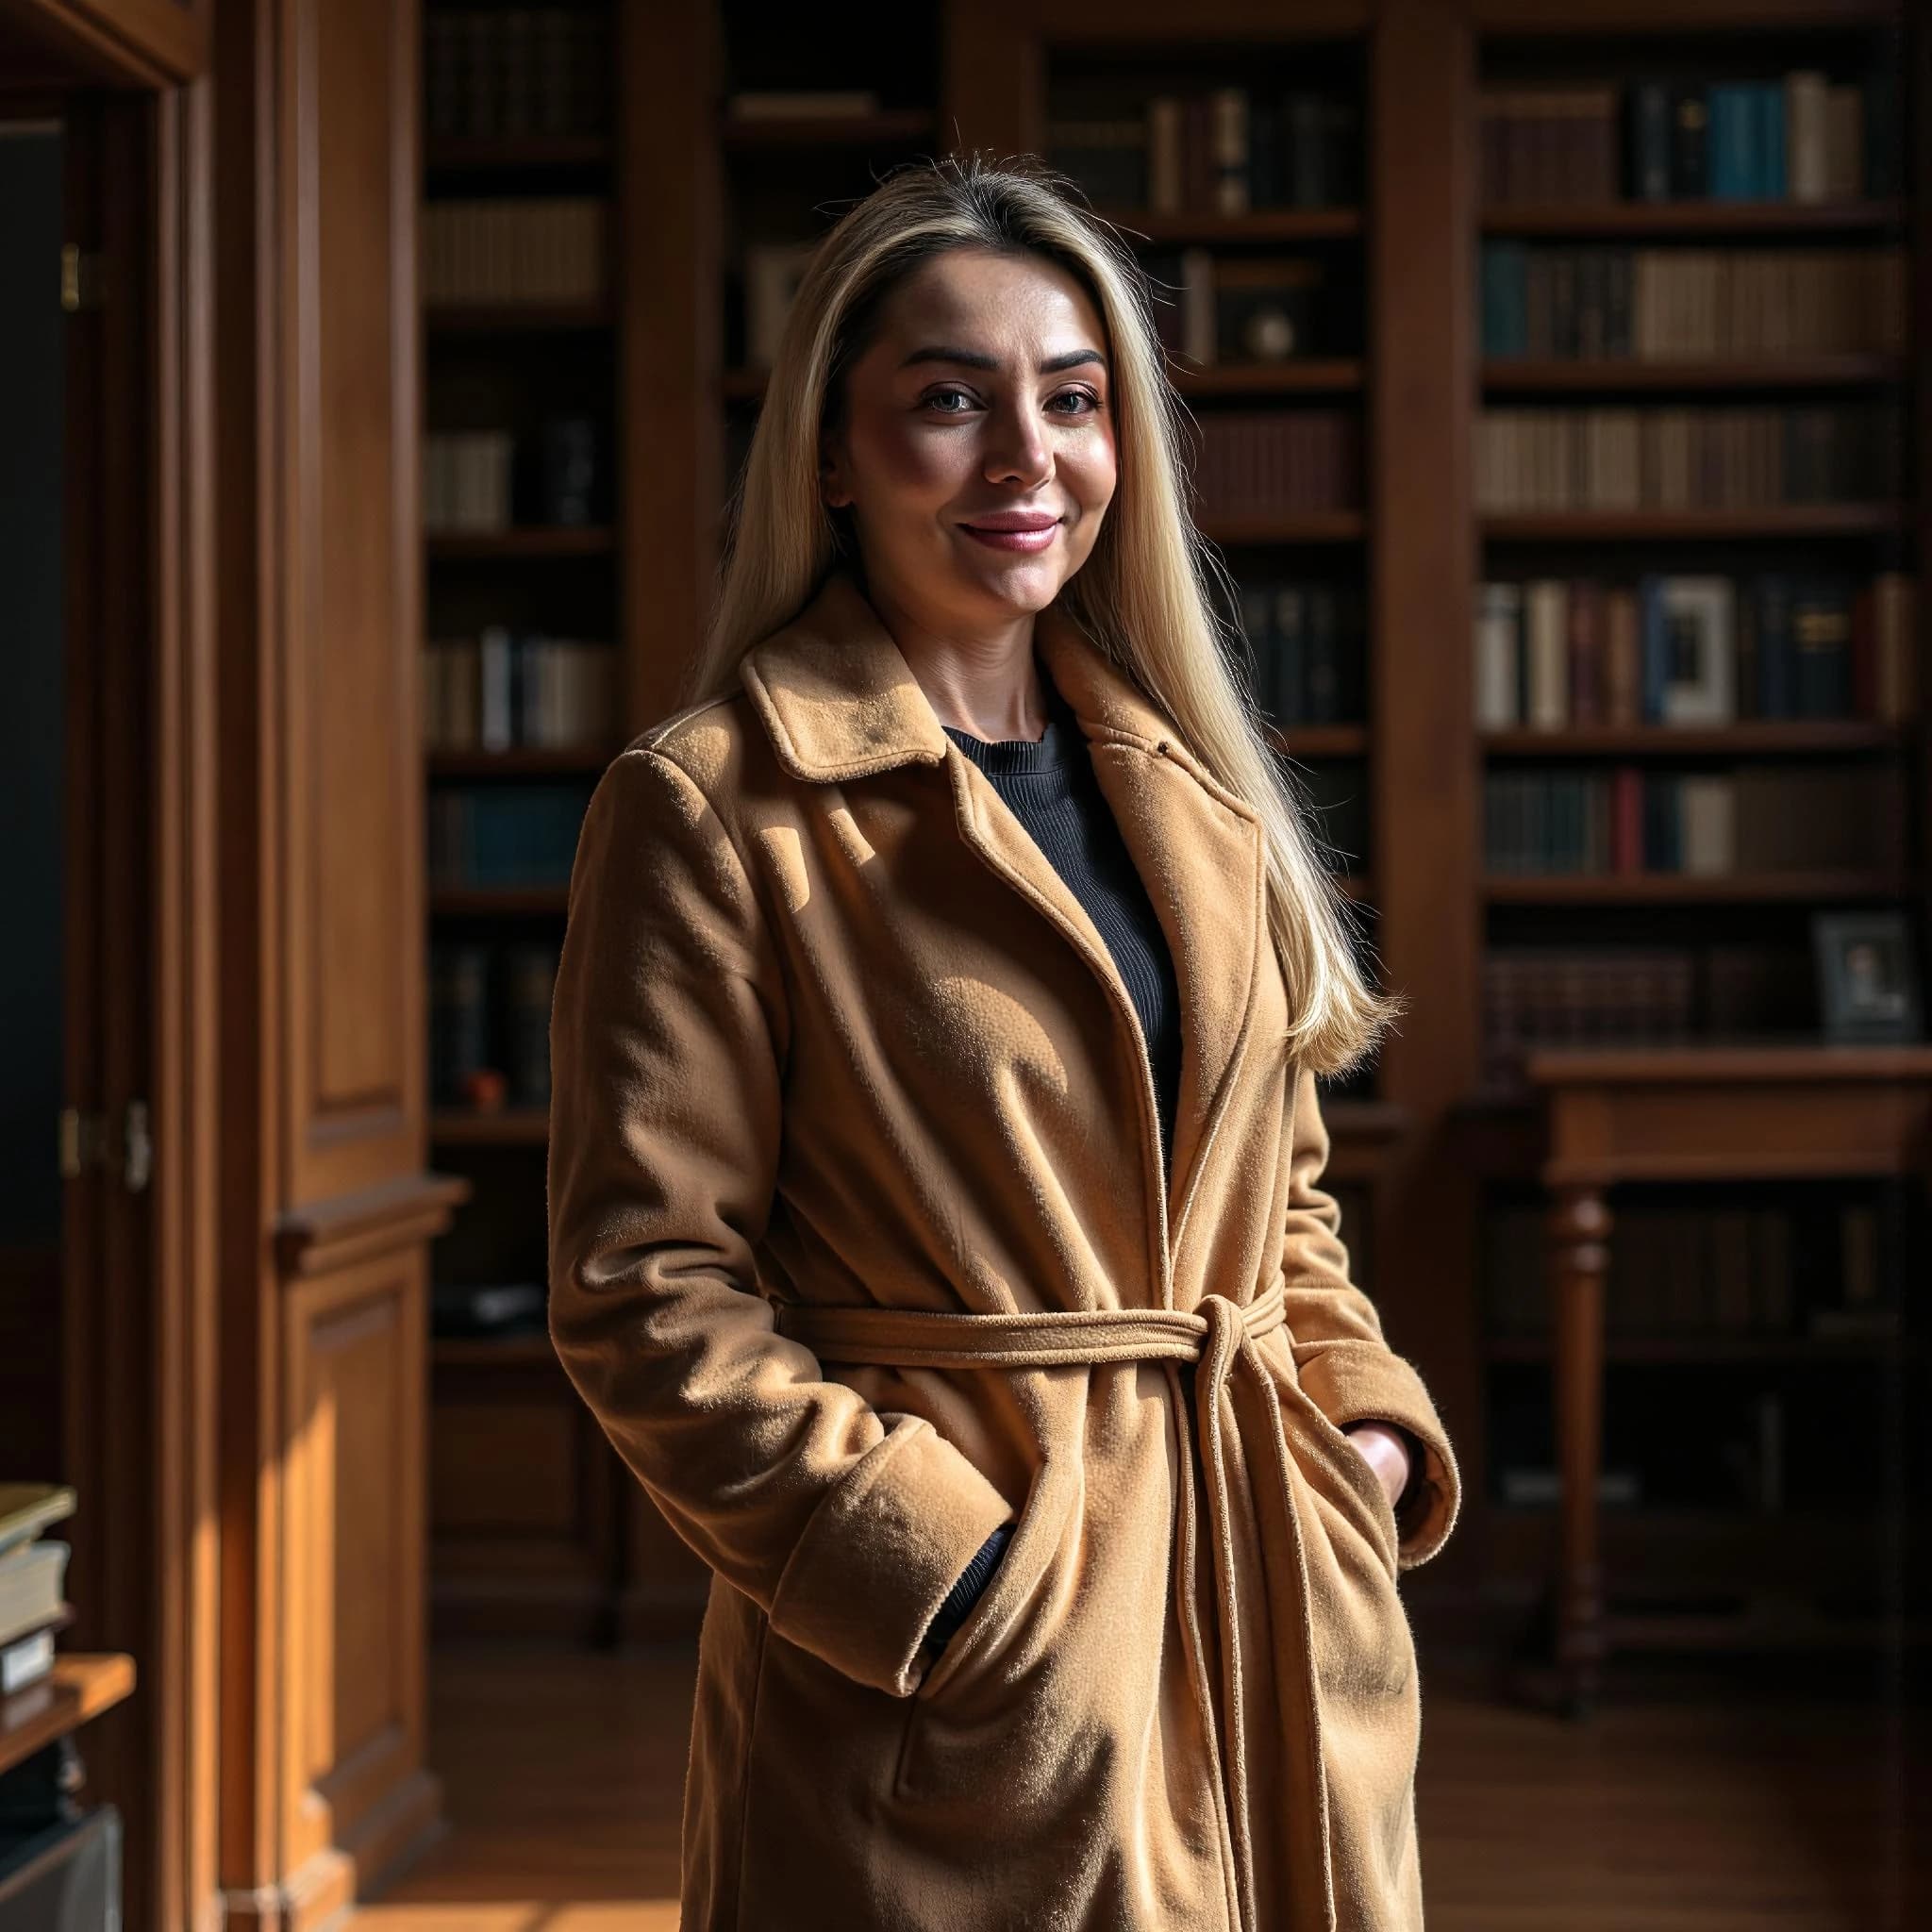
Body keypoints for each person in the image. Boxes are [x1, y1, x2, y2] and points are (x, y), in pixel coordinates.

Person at [546, 151, 1462, 1932]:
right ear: (833, 451)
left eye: (1074, 399)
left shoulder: (1199, 795)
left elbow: (1278, 1208)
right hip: (964, 1691)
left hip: (1270, 1623)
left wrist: (1354, 1444)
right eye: (952, 401)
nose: (1027, 458)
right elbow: (642, 1283)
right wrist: (944, 1577)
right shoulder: (715, 805)